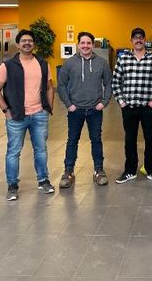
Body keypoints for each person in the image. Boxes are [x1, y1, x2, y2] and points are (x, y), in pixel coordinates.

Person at [0, 29, 55, 201]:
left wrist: (48, 108)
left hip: (39, 115)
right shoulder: (7, 66)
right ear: (18, 45)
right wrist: (6, 110)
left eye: (30, 41)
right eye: (24, 41)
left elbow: (49, 87)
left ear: (34, 44)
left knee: (41, 149)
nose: (27, 43)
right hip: (16, 116)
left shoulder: (43, 64)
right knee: (13, 152)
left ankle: (43, 181)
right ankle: (12, 186)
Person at [57, 31, 112, 187]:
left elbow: (109, 83)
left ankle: (98, 170)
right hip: (76, 110)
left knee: (96, 140)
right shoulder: (69, 63)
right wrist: (69, 104)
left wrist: (104, 102)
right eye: (83, 43)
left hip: (95, 110)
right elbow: (61, 85)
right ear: (78, 44)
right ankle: (68, 171)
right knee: (72, 140)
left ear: (93, 45)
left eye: (88, 43)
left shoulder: (102, 63)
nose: (86, 45)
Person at [112, 27, 152, 185]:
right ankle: (130, 171)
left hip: (148, 108)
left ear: (145, 40)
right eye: (135, 37)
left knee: (150, 140)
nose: (138, 40)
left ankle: (151, 171)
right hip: (129, 108)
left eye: (141, 37)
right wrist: (121, 101)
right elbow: (115, 82)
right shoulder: (123, 59)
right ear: (131, 40)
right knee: (130, 140)